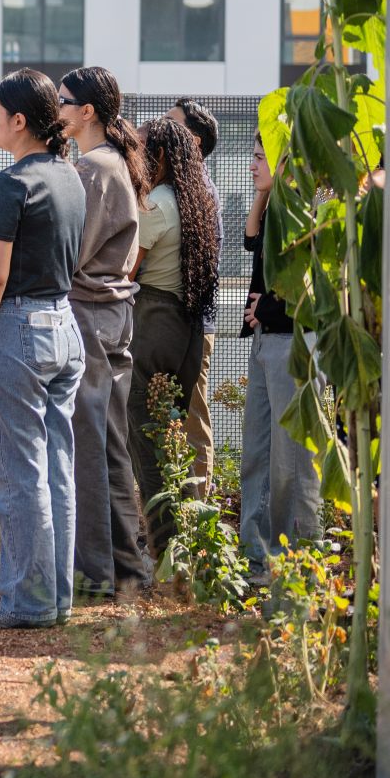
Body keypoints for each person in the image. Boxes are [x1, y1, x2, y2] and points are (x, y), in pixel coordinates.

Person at [0, 69, 86, 630]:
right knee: (57, 468)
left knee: (18, 473)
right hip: (64, 324)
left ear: (18, 120)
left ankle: (27, 602)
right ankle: (54, 597)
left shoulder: (10, 183)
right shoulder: (69, 176)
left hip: (17, 330)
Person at [56, 67, 155, 599]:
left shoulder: (94, 168)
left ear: (88, 111)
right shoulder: (108, 162)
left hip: (91, 314)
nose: (59, 110)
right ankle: (124, 568)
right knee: (108, 443)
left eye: (65, 101)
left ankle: (99, 573)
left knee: (92, 445)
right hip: (108, 315)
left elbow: (73, 253)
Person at [127, 117, 223, 554]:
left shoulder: (159, 203)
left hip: (152, 319)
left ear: (161, 155)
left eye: (145, 149)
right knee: (173, 433)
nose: (139, 155)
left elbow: (128, 267)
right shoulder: (196, 197)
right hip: (185, 323)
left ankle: (163, 547)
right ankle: (186, 537)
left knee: (144, 437)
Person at [239, 136, 321, 567]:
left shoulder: (303, 210)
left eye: (259, 158)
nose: (253, 166)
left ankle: (296, 557)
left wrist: (264, 306)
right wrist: (261, 195)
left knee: (290, 460)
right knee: (258, 453)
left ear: (285, 160)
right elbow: (251, 241)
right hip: (267, 340)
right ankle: (256, 556)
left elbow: (310, 289)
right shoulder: (275, 208)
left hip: (292, 343)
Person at [167, 99, 224, 495]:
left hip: (193, 322)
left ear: (194, 139)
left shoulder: (199, 190)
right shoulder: (179, 187)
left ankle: (198, 504)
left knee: (193, 414)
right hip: (179, 321)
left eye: (172, 125)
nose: (161, 132)